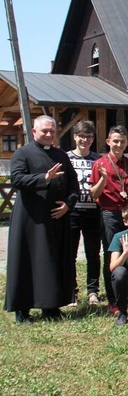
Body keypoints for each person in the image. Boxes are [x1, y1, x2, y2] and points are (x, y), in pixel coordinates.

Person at [5, 116, 79, 323]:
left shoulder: (60, 155)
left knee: (53, 262)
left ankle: (51, 307)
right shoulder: (22, 153)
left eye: (52, 131)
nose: (48, 135)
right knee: (27, 261)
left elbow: (73, 184)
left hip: (56, 218)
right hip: (31, 220)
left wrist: (68, 204)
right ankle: (22, 309)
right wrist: (44, 178)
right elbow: (17, 179)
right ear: (34, 131)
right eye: (44, 131)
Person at [90, 125, 128, 314]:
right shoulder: (99, 164)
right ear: (108, 141)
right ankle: (113, 300)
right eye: (115, 141)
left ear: (127, 143)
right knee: (113, 256)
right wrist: (103, 178)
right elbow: (94, 193)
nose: (119, 144)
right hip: (109, 213)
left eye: (123, 141)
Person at [66, 120, 102, 306]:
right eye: (81, 136)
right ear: (75, 137)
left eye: (88, 137)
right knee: (70, 253)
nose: (85, 140)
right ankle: (71, 290)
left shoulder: (98, 159)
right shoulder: (66, 158)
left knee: (93, 253)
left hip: (93, 211)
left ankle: (93, 290)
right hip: (72, 211)